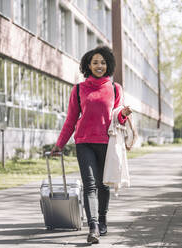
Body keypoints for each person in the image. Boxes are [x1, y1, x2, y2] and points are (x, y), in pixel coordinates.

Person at [51, 46, 132, 244]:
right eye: (95, 62)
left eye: (103, 62)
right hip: (84, 142)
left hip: (107, 142)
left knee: (104, 185)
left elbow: (117, 118)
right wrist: (59, 144)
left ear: (108, 65)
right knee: (90, 185)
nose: (99, 66)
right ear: (88, 65)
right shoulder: (79, 89)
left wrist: (123, 114)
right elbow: (71, 119)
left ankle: (102, 220)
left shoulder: (115, 88)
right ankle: (93, 226)